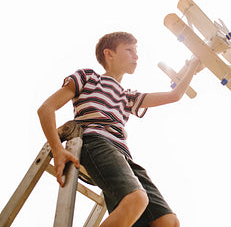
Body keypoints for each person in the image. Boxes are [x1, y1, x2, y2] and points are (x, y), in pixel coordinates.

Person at [37, 31, 201, 227]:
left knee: (168, 221)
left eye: (136, 51)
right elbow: (45, 109)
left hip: (123, 155)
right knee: (136, 198)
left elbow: (174, 95)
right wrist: (58, 149)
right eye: (129, 50)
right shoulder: (88, 77)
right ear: (109, 54)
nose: (136, 56)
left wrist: (193, 65)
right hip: (94, 142)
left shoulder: (127, 96)